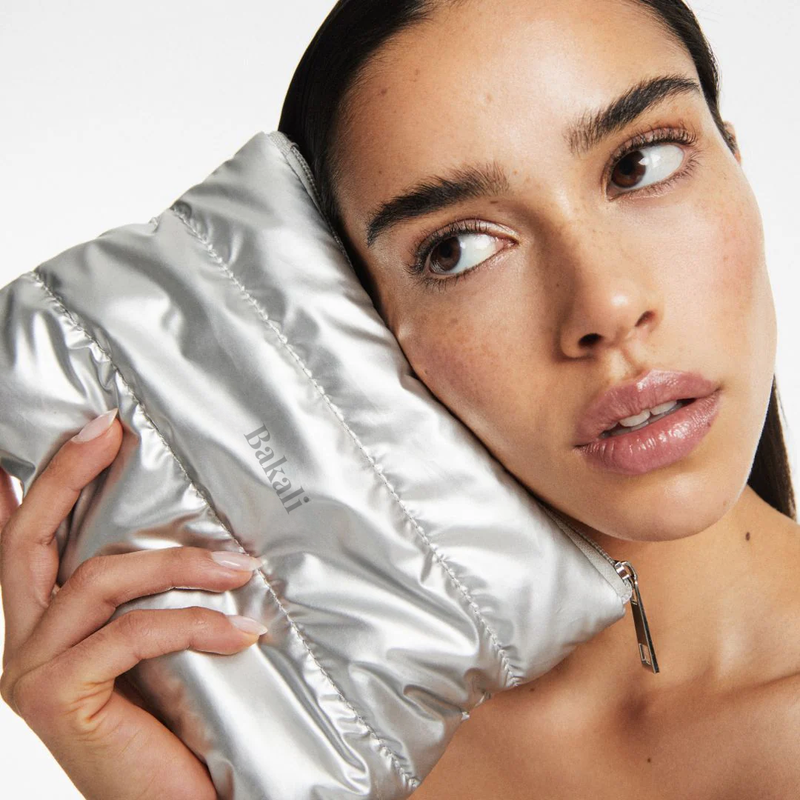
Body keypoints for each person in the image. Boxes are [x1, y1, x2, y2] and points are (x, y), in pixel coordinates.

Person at [0, 0, 797, 797]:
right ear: (358, 325)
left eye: (640, 165)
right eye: (458, 249)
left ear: (734, 156)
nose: (607, 306)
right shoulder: (314, 768)